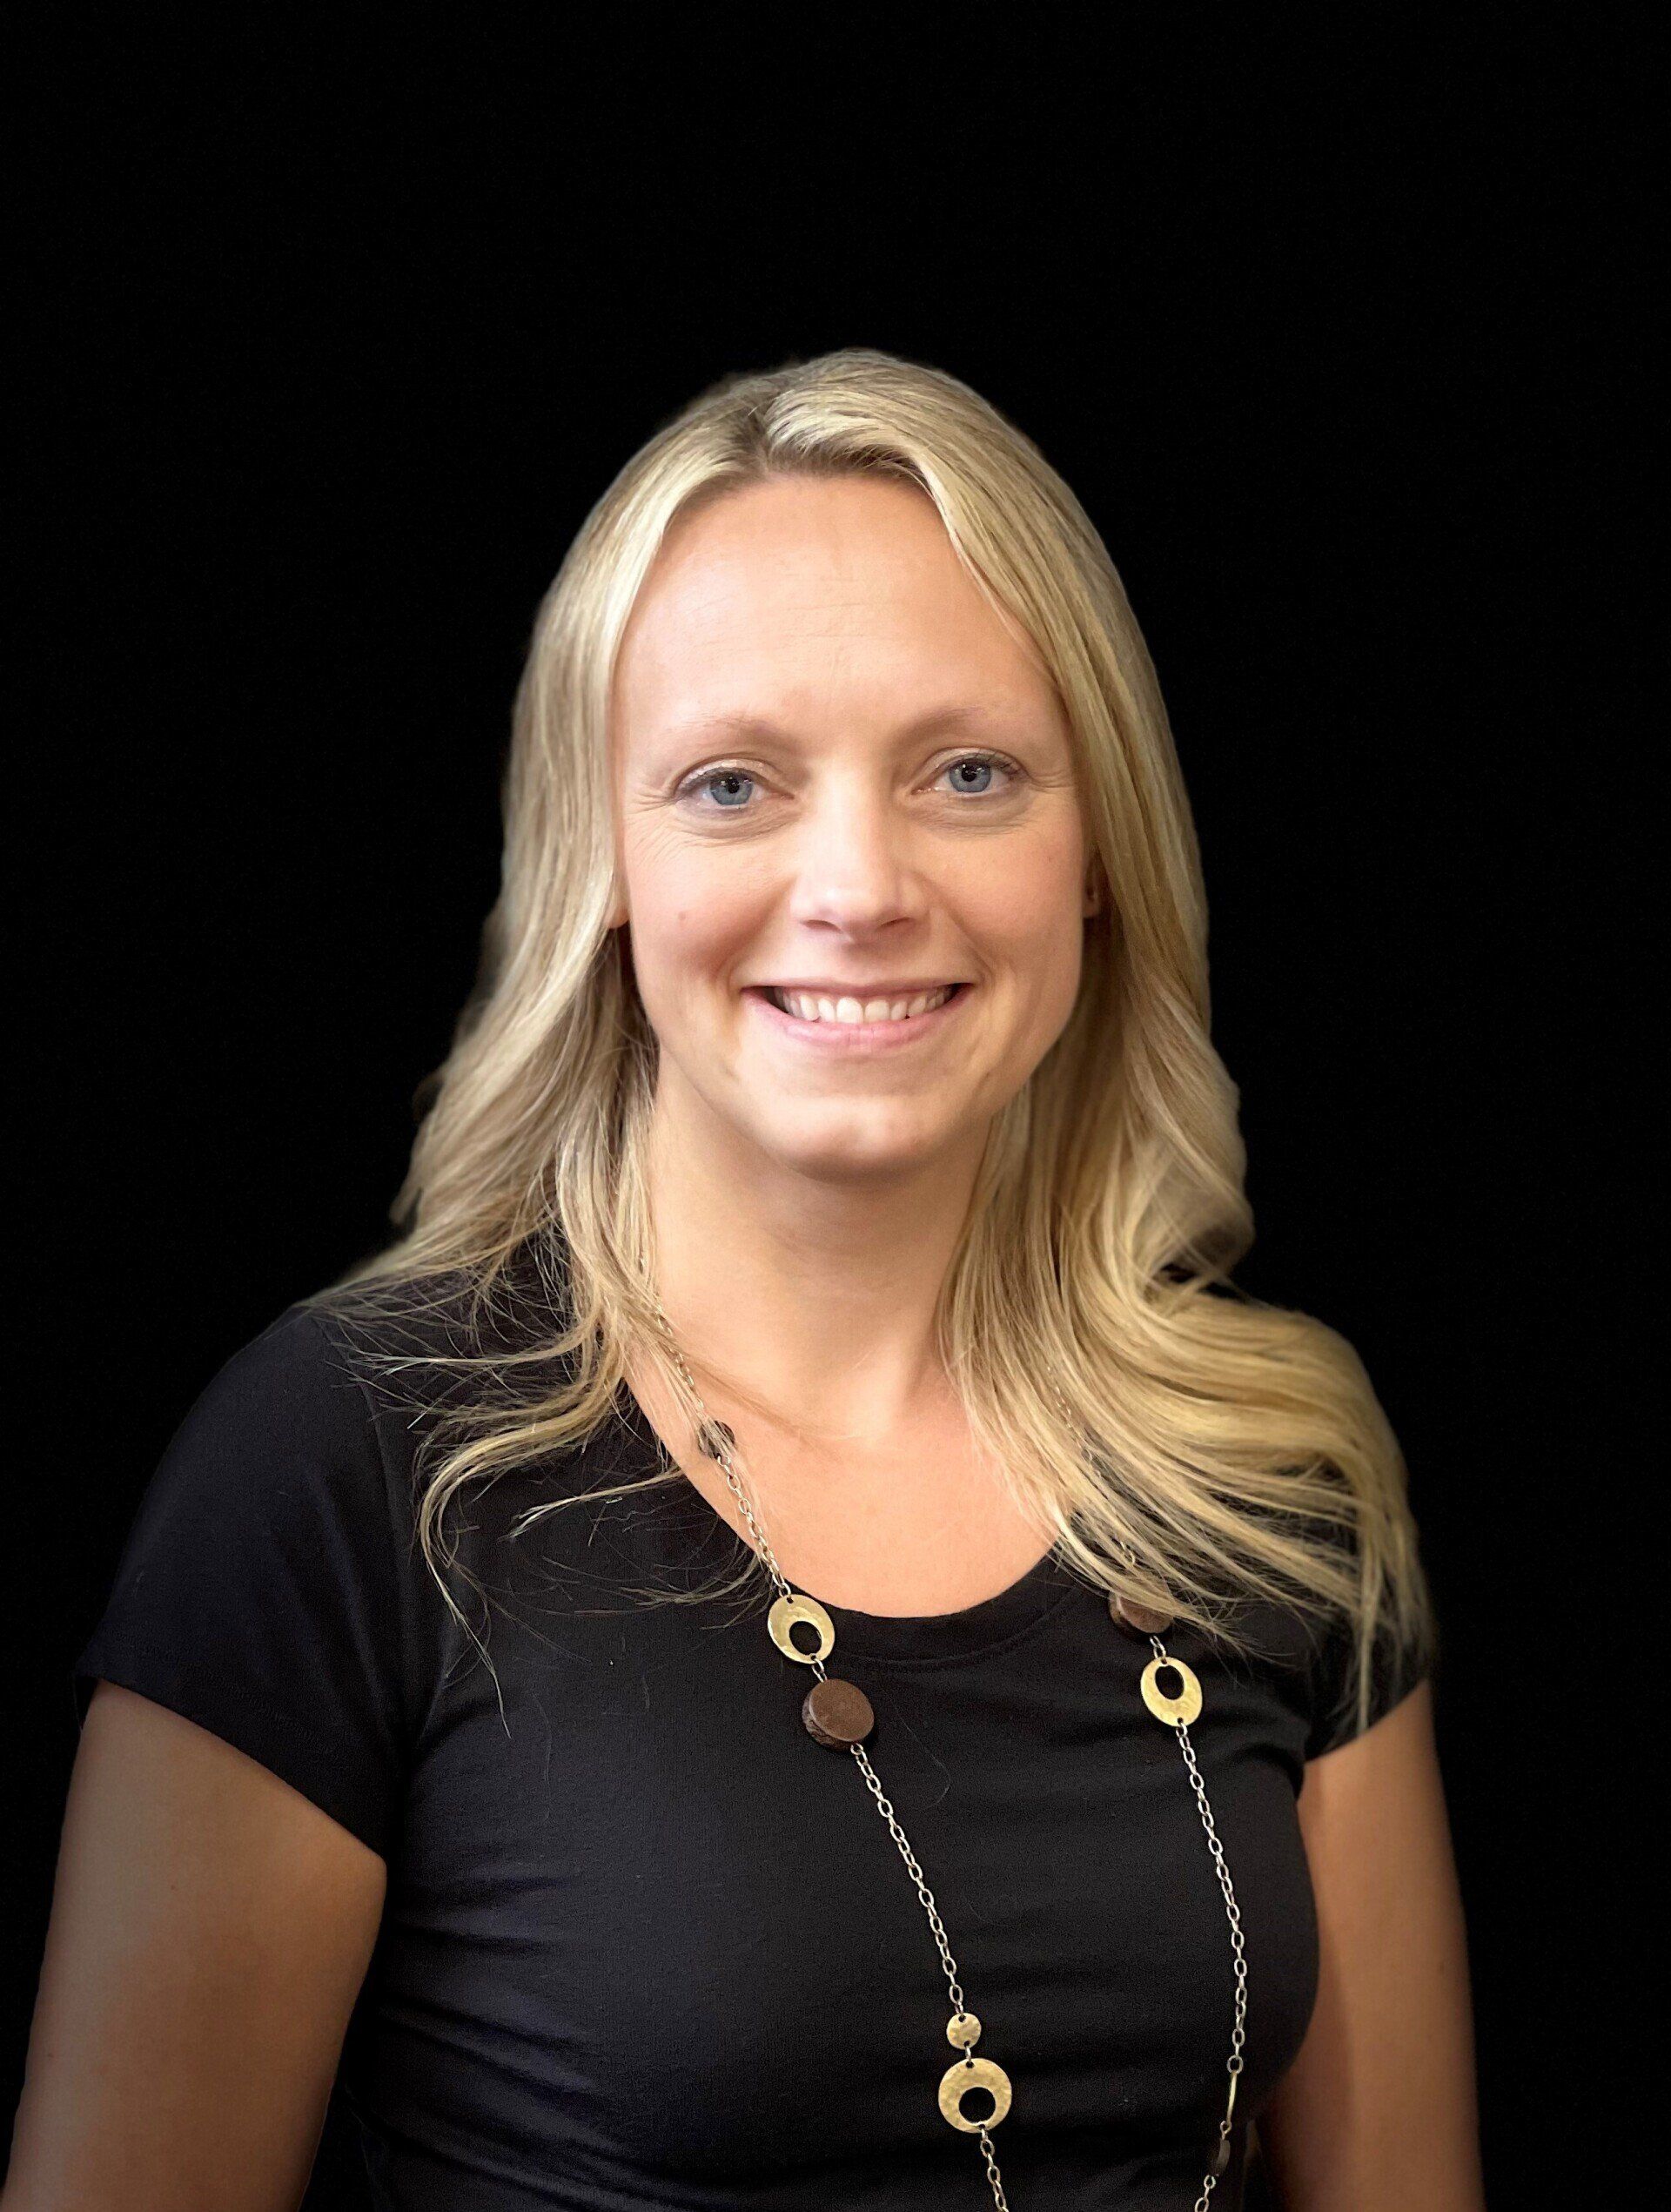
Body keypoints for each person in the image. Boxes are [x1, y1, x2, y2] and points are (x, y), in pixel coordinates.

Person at [8, 349, 1486, 2211]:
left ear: (1096, 850)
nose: (858, 887)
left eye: (969, 772)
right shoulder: (348, 1466)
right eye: (730, 784)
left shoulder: (1273, 1473)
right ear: (605, 860)